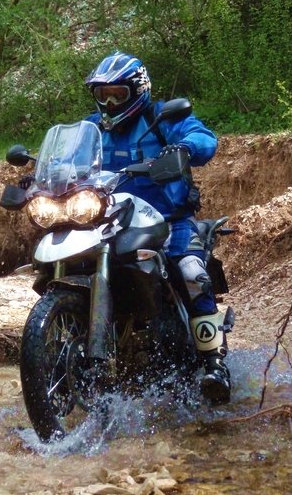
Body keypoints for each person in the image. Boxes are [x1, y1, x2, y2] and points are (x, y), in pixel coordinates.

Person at [84, 51, 230, 405]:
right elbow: (68, 157)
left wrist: (184, 147)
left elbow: (204, 138)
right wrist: (43, 170)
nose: (109, 102)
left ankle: (214, 362)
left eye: (117, 94)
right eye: (102, 95)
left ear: (137, 90)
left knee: (192, 272)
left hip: (168, 219)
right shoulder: (92, 127)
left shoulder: (161, 118)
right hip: (113, 221)